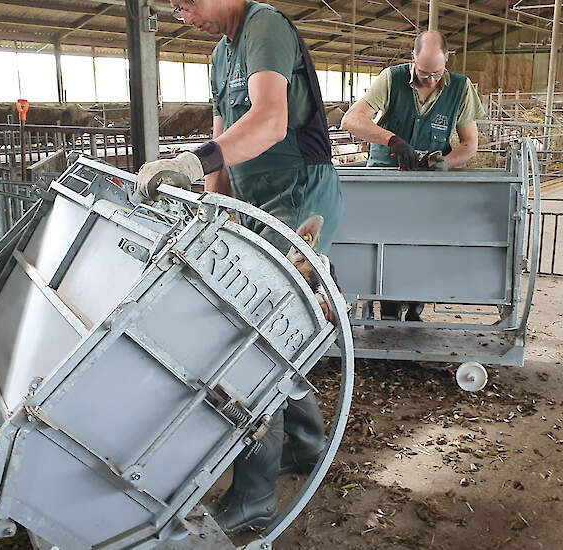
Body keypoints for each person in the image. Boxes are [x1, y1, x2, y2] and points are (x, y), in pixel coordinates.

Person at [135, 0, 343, 534]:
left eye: (187, 3)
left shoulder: (264, 27)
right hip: (254, 200)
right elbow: (224, 144)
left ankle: (254, 496)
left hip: (298, 197)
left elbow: (270, 121)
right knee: (277, 332)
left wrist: (187, 162)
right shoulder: (219, 55)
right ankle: (304, 445)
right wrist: (210, 214)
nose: (184, 15)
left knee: (251, 344)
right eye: (175, 9)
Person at [341, 30, 485, 321]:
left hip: (428, 186)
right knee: (382, 243)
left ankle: (416, 304)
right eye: (422, 72)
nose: (430, 80)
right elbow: (351, 120)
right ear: (412, 58)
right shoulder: (391, 79)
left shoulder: (460, 87)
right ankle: (387, 303)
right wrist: (393, 140)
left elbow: (470, 144)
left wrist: (444, 163)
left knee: (423, 244)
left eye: (436, 73)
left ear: (447, 61)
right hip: (385, 180)